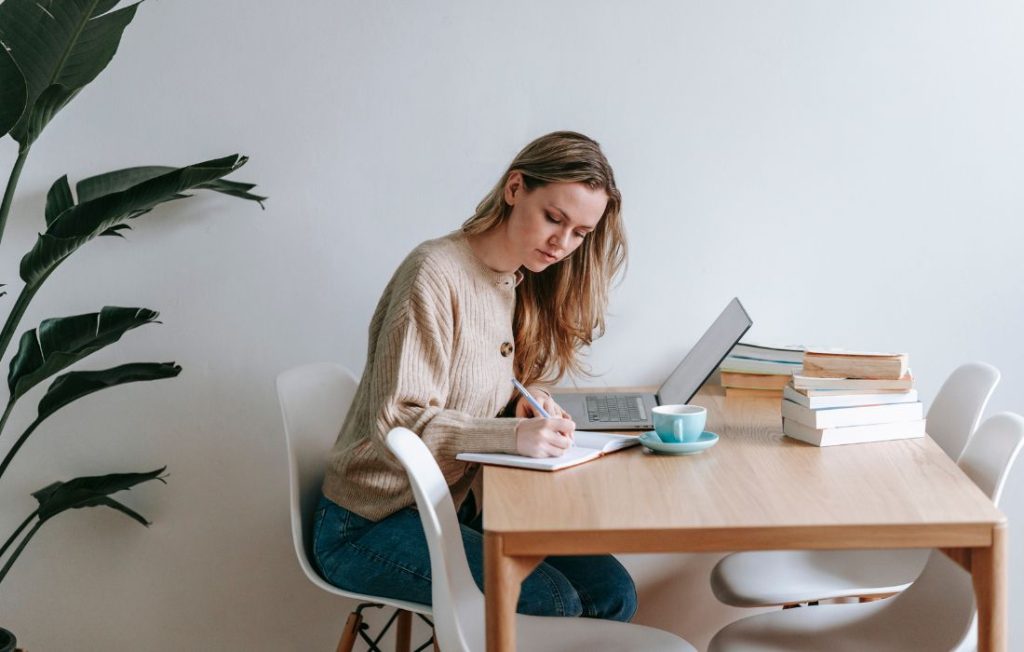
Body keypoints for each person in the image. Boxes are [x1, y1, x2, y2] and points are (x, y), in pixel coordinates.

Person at [313, 131, 635, 620]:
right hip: (370, 521)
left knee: (612, 591)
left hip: (453, 506)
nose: (562, 244)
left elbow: (475, 381)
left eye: (580, 233)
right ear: (514, 189)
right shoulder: (434, 274)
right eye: (554, 218)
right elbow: (396, 423)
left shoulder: (514, 279)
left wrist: (524, 403)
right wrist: (512, 434)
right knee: (550, 599)